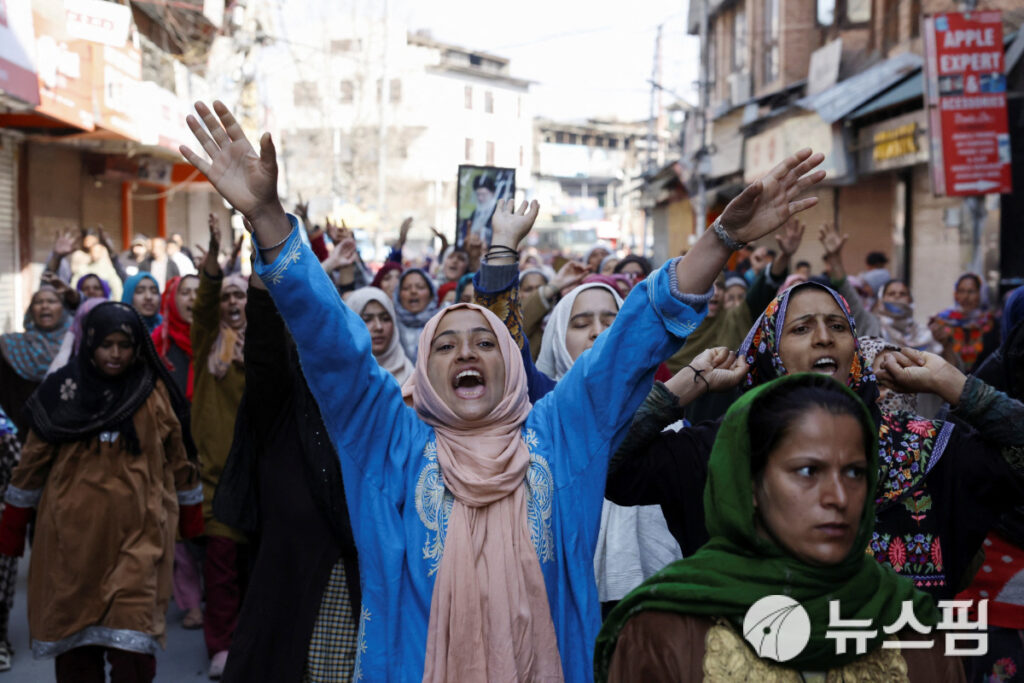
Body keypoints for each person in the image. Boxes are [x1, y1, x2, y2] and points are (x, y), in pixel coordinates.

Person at [179, 98, 826, 680]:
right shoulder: (390, 446)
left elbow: (637, 334)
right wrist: (267, 217)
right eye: (447, 342)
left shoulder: (560, 435)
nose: (467, 350)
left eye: (487, 340)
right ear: (423, 374)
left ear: (513, 364)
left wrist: (722, 241)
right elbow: (330, 343)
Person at [606, 280, 1024, 599]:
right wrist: (687, 383)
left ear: (855, 350)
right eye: (801, 328)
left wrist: (953, 384)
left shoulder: (924, 447)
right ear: (770, 353)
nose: (824, 337)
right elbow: (607, 466)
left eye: (838, 326)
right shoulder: (723, 450)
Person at [595, 374, 961, 682]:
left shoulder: (914, 625)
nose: (838, 496)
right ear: (750, 484)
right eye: (807, 471)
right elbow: (605, 461)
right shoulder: (665, 628)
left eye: (855, 472)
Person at [0, 302, 203, 682]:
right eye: (106, 344)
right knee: (78, 652)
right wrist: (12, 526)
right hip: (72, 545)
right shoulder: (62, 392)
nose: (115, 354)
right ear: (89, 342)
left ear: (136, 346)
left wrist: (192, 515)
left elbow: (179, 453)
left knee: (133, 649)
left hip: (139, 538)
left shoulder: (151, 391)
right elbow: (31, 462)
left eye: (123, 345)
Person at [214, 275, 361, 682]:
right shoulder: (282, 403)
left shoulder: (378, 407)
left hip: (363, 581)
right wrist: (264, 277)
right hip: (291, 576)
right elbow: (263, 354)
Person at [191, 217, 248, 679]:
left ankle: (256, 640)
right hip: (216, 478)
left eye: (240, 295)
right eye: (227, 296)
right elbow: (205, 302)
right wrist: (214, 251)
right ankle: (222, 645)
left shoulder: (269, 343)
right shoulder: (208, 342)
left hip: (261, 477)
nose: (232, 302)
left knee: (257, 568)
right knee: (222, 571)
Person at [0, 286, 71, 437]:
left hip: (69, 436)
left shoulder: (76, 345)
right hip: (23, 438)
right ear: (31, 311)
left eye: (51, 301)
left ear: (63, 309)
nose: (45, 306)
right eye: (38, 302)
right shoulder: (11, 346)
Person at [346, 288, 414, 386]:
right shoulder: (341, 378)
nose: (378, 327)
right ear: (351, 324)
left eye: (385, 319)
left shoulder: (412, 379)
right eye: (367, 319)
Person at [932, 273, 999, 373]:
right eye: (961, 291)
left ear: (981, 293)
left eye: (971, 291)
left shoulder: (990, 323)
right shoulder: (942, 321)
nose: (965, 296)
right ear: (956, 294)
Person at [152, 275, 199, 400]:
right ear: (173, 299)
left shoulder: (221, 340)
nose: (193, 298)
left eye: (199, 292)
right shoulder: (160, 342)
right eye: (185, 293)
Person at [392, 268, 439, 361]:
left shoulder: (442, 323)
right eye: (406, 288)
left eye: (420, 287)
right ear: (398, 295)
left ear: (431, 294)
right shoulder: (390, 326)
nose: (413, 291)